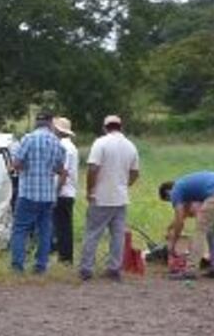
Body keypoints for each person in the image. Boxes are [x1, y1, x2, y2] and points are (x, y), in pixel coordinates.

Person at [78, 115, 140, 281]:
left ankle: (86, 269)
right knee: (118, 236)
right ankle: (114, 268)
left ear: (105, 127)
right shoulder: (130, 146)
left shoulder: (101, 143)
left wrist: (90, 190)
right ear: (121, 127)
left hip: (101, 196)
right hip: (121, 198)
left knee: (93, 233)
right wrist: (125, 185)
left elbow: (92, 168)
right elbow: (135, 172)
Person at [9, 111, 65, 275]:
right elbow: (59, 169)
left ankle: (18, 266)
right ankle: (41, 265)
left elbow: (16, 163)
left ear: (36, 123)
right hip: (47, 194)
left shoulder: (28, 139)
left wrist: (21, 167)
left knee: (20, 229)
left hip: (28, 193)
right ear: (50, 123)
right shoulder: (56, 142)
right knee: (45, 231)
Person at [159, 170, 214, 279]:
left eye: (169, 200)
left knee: (200, 230)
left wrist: (173, 243)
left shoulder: (175, 191)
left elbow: (180, 220)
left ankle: (191, 270)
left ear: (167, 193)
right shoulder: (185, 185)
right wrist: (171, 226)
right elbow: (183, 215)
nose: (173, 202)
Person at [52, 117, 79, 266]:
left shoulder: (63, 147)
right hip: (69, 191)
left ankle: (65, 258)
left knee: (62, 227)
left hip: (63, 192)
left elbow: (63, 172)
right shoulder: (71, 146)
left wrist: (55, 192)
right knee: (64, 226)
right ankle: (65, 257)